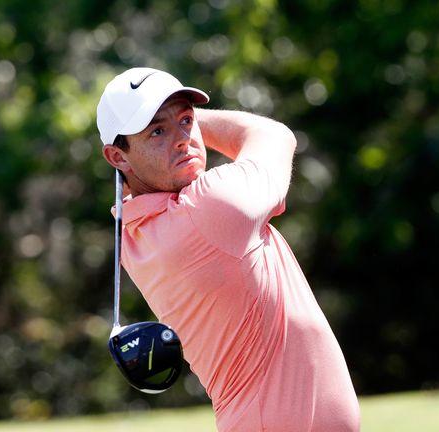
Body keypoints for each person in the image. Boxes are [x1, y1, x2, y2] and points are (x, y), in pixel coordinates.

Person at [96, 67, 360, 432]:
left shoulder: (133, 234)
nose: (182, 139)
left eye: (186, 121)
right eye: (157, 130)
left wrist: (165, 120)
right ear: (118, 157)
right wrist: (196, 117)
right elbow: (274, 134)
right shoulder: (212, 206)